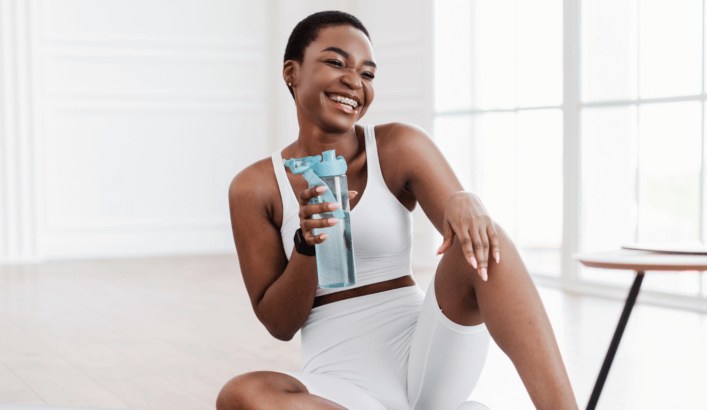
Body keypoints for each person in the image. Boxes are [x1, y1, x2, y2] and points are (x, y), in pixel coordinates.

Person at [216, 11, 578, 410]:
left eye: (367, 74)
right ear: (292, 72)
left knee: (484, 240)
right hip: (339, 382)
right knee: (240, 396)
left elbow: (466, 235)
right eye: (336, 62)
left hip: (427, 356)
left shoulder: (397, 146)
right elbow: (280, 325)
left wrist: (465, 199)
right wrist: (308, 243)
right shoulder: (255, 187)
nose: (354, 82)